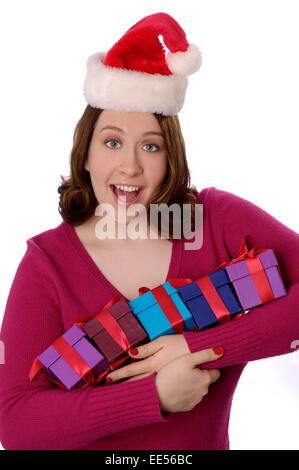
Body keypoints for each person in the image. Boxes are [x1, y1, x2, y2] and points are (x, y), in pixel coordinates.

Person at [0, 12, 298, 451]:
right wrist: (152, 395)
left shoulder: (214, 221)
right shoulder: (47, 263)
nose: (131, 166)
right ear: (85, 154)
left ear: (169, 157)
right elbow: (15, 425)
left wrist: (202, 347)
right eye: (113, 141)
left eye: (151, 146)